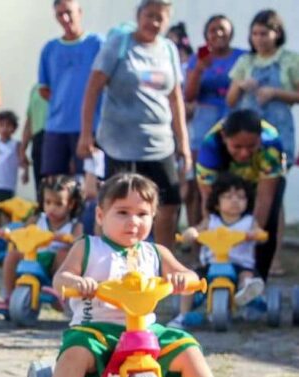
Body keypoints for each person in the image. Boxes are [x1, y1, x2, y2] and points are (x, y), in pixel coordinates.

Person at [41, 173, 247, 377]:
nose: (133, 222)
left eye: (142, 214)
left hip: (144, 330)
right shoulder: (89, 247)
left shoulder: (155, 252)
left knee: (187, 347)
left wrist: (181, 279)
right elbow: (61, 278)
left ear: (154, 217)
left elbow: (191, 276)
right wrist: (78, 282)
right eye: (123, 212)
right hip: (96, 329)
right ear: (101, 216)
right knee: (75, 352)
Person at [78, 0, 189, 251]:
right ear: (138, 16)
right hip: (118, 145)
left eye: (160, 18)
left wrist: (184, 143)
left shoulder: (169, 49)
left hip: (159, 144)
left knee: (169, 205)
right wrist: (86, 134)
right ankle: (106, 260)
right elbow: (93, 88)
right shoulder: (119, 44)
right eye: (149, 16)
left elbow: (175, 98)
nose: (154, 23)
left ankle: (162, 264)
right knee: (115, 205)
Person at [195, 108, 286, 291]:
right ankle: (214, 276)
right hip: (225, 178)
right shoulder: (210, 146)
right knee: (217, 223)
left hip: (261, 179)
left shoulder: (271, 143)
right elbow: (209, 198)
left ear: (260, 138)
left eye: (251, 146)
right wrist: (212, 228)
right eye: (237, 147)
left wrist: (254, 230)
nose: (244, 153)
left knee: (266, 228)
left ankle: (256, 283)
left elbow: (265, 196)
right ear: (224, 137)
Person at [176, 175, 268, 321]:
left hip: (240, 265)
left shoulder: (249, 222)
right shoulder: (212, 221)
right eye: (228, 197)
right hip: (211, 265)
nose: (235, 201)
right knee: (191, 279)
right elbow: (197, 229)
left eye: (241, 197)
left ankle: (247, 293)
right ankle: (183, 315)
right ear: (217, 202)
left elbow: (260, 233)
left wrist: (257, 235)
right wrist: (190, 233)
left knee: (247, 277)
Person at [182, 15, 245, 228]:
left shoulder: (242, 57)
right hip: (203, 128)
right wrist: (199, 68)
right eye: (213, 30)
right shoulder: (199, 57)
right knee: (200, 186)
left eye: (222, 29)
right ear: (206, 34)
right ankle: (198, 242)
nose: (218, 34)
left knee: (233, 184)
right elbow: (188, 96)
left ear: (231, 33)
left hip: (234, 126)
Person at [0, 174, 83, 314]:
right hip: (34, 257)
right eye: (48, 202)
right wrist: (8, 232)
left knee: (64, 254)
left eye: (58, 204)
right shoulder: (37, 219)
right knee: (12, 255)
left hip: (55, 265)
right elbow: (22, 230)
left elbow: (80, 242)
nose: (52, 208)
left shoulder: (74, 225)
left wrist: (68, 239)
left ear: (71, 204)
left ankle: (58, 292)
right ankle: (9, 295)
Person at [38, 0, 104, 179]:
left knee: (90, 184)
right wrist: (63, 101)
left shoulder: (97, 43)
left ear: (79, 12)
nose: (65, 18)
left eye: (69, 12)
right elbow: (43, 89)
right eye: (60, 14)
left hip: (90, 127)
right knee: (53, 183)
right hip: (56, 128)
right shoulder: (50, 49)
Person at [228, 10, 299, 170]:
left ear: (278, 33)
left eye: (264, 34)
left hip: (279, 130)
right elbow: (230, 101)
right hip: (248, 133)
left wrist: (275, 93)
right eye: (255, 34)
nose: (259, 39)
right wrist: (240, 85)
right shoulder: (245, 61)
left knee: (275, 178)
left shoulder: (290, 59)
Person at [0, 110, 23, 228]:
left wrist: (26, 172)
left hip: (7, 186)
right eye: (1, 125)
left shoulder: (16, 145)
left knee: (7, 213)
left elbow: (23, 161)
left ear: (14, 128)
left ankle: (9, 235)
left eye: (8, 125)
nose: (4, 128)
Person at [20, 84, 49, 201]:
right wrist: (23, 149)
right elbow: (30, 120)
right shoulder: (35, 89)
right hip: (39, 139)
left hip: (56, 137)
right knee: (40, 185)